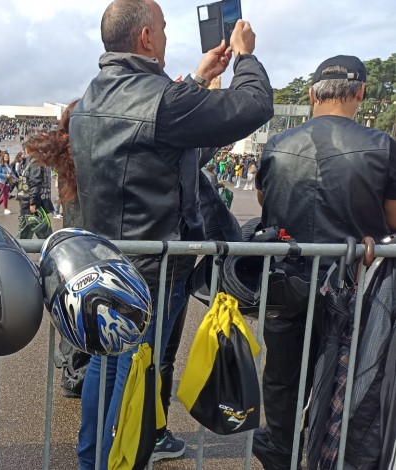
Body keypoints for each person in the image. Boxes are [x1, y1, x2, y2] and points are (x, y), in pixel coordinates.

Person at [68, 1, 273, 467]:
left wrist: (198, 79)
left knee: (105, 364)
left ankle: (92, 461)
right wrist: (245, 56)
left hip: (105, 262)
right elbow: (254, 104)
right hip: (154, 271)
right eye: (161, 27)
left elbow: (158, 151)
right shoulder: (160, 99)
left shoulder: (92, 97)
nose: (165, 35)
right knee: (134, 375)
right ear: (144, 38)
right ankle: (117, 463)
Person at [253, 55, 396, 470]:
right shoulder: (382, 146)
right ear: (361, 92)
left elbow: (264, 201)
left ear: (313, 94)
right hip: (354, 283)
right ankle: (329, 451)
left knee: (282, 372)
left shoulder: (279, 143)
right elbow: (392, 218)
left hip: (286, 278)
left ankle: (281, 445)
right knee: (344, 376)